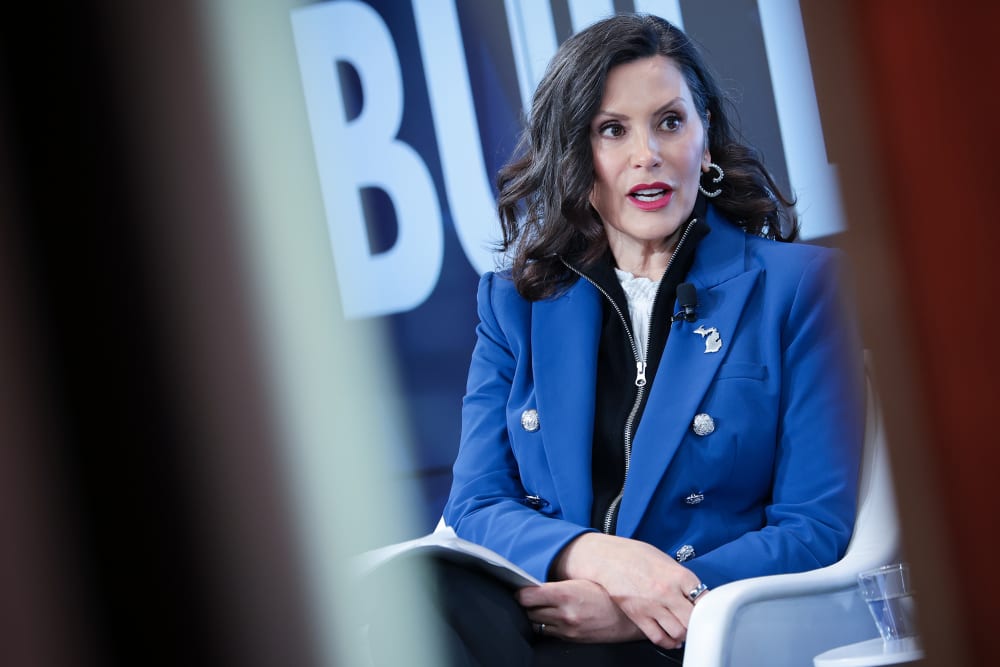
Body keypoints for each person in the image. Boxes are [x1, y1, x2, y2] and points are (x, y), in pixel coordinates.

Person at [369, 13, 864, 667]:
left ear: (705, 140)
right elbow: (477, 500)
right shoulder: (515, 305)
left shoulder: (798, 289)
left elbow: (813, 527)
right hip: (539, 621)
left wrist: (649, 601)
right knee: (414, 592)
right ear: (578, 155)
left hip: (692, 634)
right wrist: (598, 558)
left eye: (670, 121)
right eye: (612, 130)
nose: (647, 154)